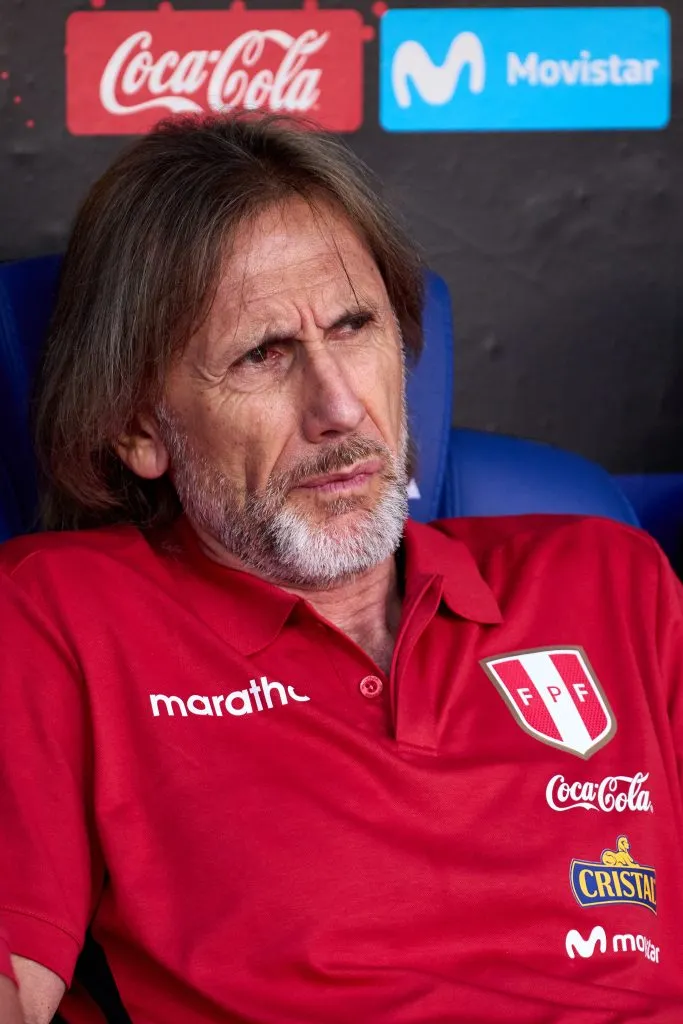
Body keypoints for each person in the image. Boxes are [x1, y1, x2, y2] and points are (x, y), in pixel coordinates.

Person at [0, 113, 682, 1024]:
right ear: (136, 428)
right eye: (263, 354)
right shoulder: (56, 614)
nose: (339, 407)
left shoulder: (609, 577)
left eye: (355, 326)